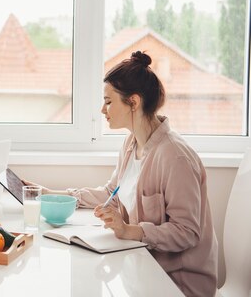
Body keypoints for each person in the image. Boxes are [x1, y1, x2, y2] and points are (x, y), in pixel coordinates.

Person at [28, 51, 217, 296]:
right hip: (141, 269)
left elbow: (187, 232)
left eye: (108, 101)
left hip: (176, 284)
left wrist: (130, 230)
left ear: (133, 102)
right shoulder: (132, 144)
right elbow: (110, 194)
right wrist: (47, 193)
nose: (102, 110)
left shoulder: (175, 156)